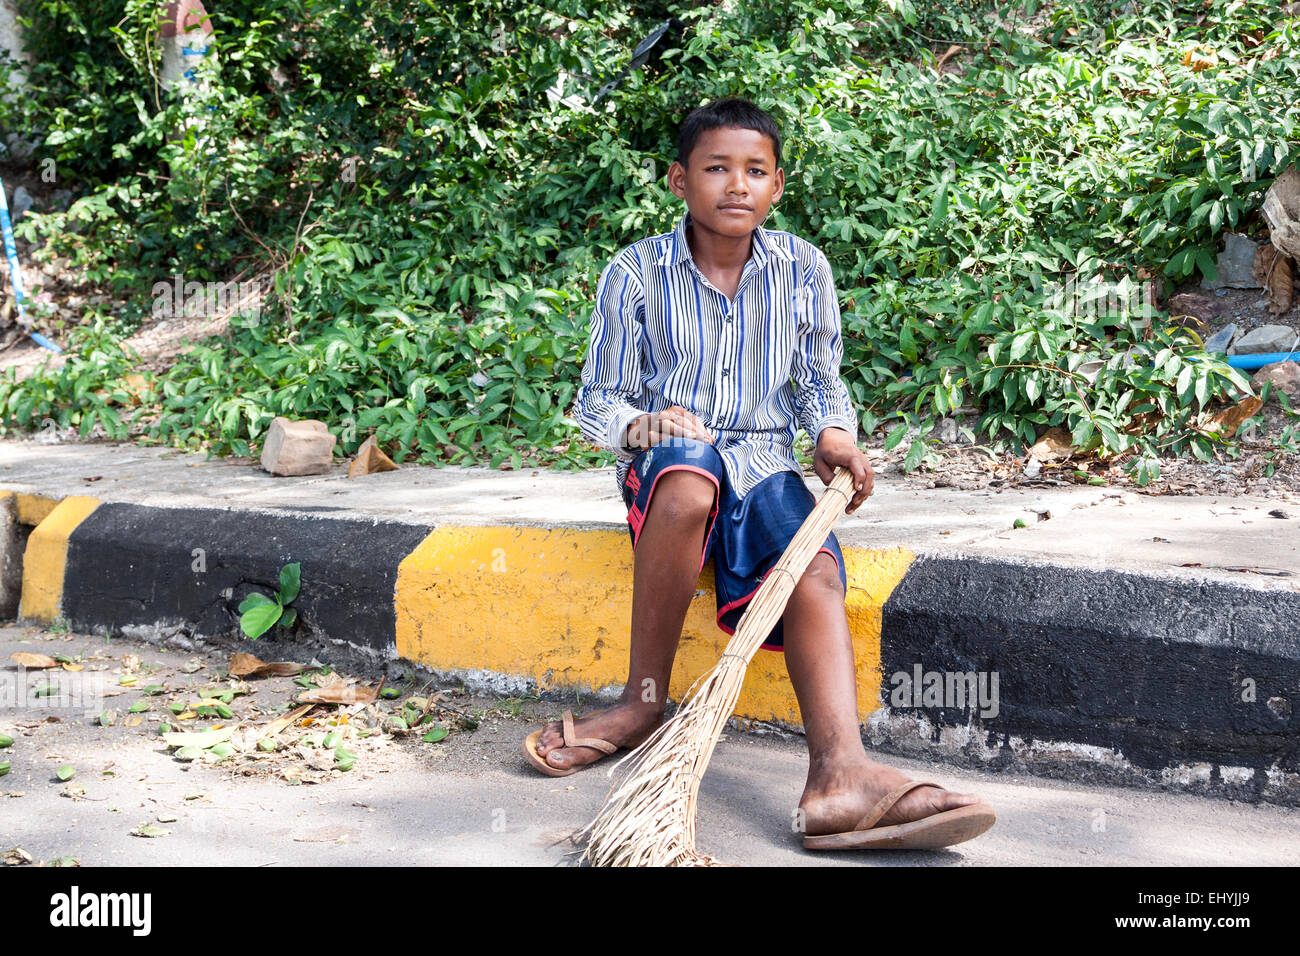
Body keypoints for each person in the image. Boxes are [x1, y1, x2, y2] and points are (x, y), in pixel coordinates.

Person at [523, 98, 995, 849]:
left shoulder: (803, 268)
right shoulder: (635, 272)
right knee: (689, 473)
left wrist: (834, 433)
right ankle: (643, 701)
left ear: (777, 186)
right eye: (716, 169)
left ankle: (838, 778)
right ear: (680, 180)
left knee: (812, 569)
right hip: (674, 461)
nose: (735, 185)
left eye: (754, 171)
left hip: (768, 463)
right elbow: (598, 399)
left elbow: (818, 378)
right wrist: (639, 426)